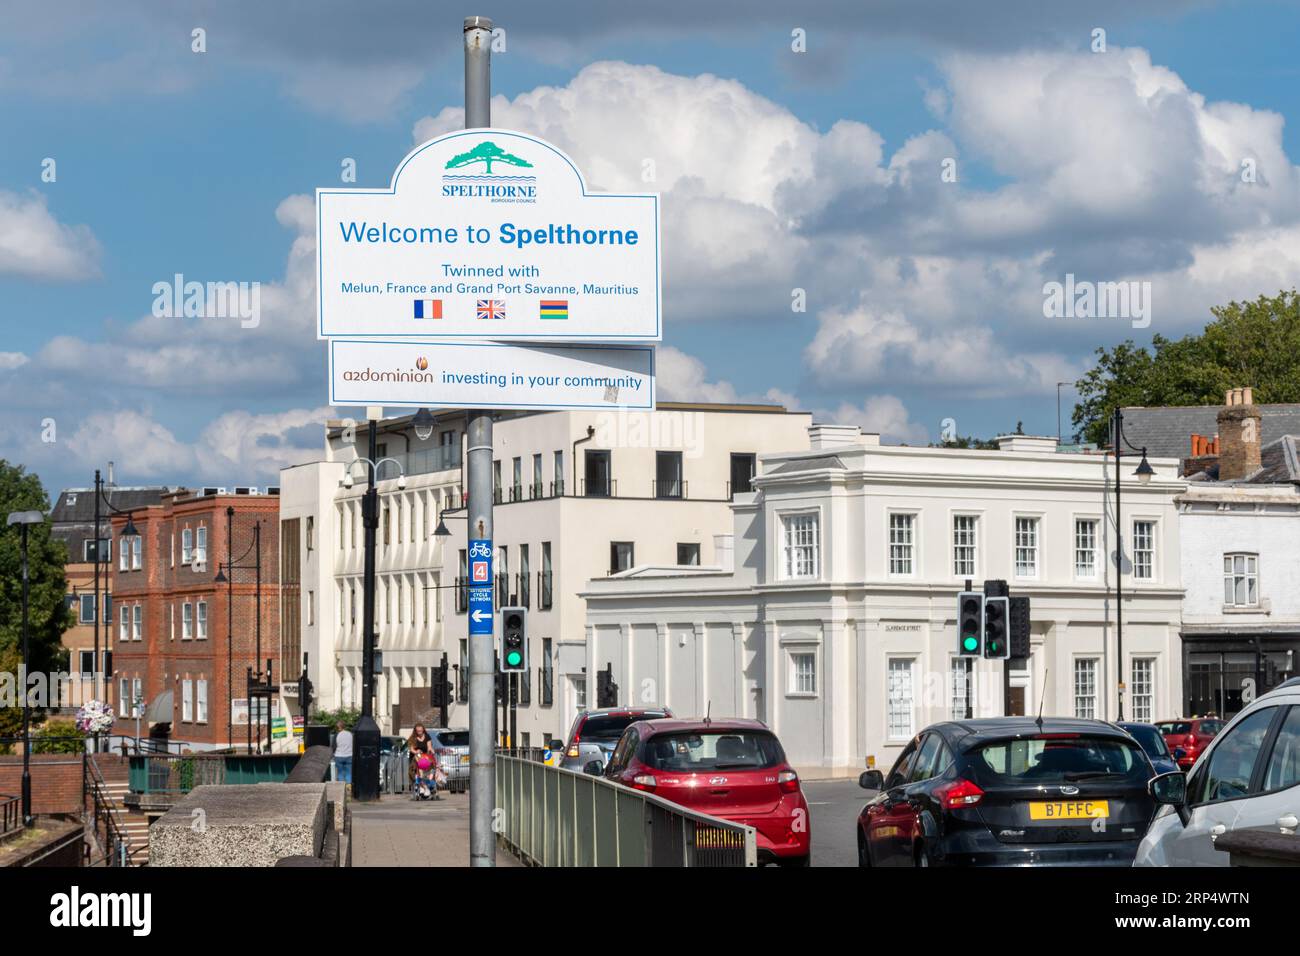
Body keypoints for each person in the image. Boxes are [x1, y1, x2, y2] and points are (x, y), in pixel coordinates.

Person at [408, 724, 437, 800]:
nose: (419, 732)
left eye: (421, 731)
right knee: (419, 773)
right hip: (416, 758)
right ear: (415, 731)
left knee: (431, 771)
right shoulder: (413, 738)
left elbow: (429, 747)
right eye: (418, 731)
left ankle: (426, 787)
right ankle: (424, 787)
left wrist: (432, 750)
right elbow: (411, 749)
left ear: (423, 730)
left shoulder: (427, 737)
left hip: (425, 757)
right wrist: (416, 751)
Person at [334, 720, 354, 786]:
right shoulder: (350, 734)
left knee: (340, 773)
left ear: (338, 727)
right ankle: (348, 786)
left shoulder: (337, 735)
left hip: (339, 756)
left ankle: (341, 788)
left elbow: (334, 746)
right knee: (349, 772)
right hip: (349, 755)